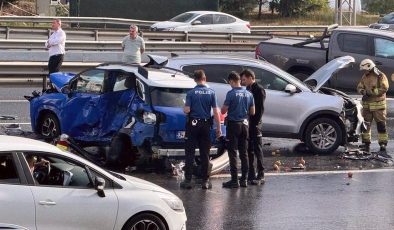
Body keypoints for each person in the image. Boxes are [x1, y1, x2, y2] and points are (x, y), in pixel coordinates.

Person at [180, 70, 222, 189]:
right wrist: (218, 128)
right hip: (205, 126)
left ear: (195, 80)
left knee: (189, 153)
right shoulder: (211, 92)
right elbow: (215, 111)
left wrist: (185, 108)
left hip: (193, 125)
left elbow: (187, 110)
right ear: (205, 78)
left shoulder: (191, 93)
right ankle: (205, 181)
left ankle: (188, 181)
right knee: (205, 153)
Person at [221, 71, 255, 188]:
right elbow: (253, 112)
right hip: (245, 125)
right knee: (244, 153)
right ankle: (244, 179)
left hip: (233, 125)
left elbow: (223, 111)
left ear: (231, 81)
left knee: (233, 152)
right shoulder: (249, 94)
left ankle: (234, 180)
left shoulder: (231, 94)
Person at [357, 59, 389, 153]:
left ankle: (383, 144)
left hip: (378, 107)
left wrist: (371, 92)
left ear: (369, 66)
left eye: (365, 69)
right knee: (366, 126)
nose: (365, 71)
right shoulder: (365, 76)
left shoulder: (380, 76)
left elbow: (384, 88)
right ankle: (366, 143)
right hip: (367, 107)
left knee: (381, 126)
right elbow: (359, 87)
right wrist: (363, 92)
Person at [241, 69, 266, 185]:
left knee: (257, 149)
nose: (243, 82)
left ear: (251, 77)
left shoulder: (258, 89)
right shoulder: (247, 89)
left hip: (255, 124)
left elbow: (260, 109)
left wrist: (255, 123)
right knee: (249, 149)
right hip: (247, 123)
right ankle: (251, 173)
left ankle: (261, 174)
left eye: (244, 79)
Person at [45, 18, 66, 91]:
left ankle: (56, 89)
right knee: (51, 73)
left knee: (55, 73)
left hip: (58, 55)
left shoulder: (61, 33)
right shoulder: (53, 34)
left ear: (58, 24)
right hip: (52, 56)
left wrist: (50, 43)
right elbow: (46, 43)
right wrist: (48, 44)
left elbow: (57, 41)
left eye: (54, 23)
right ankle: (52, 88)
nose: (52, 24)